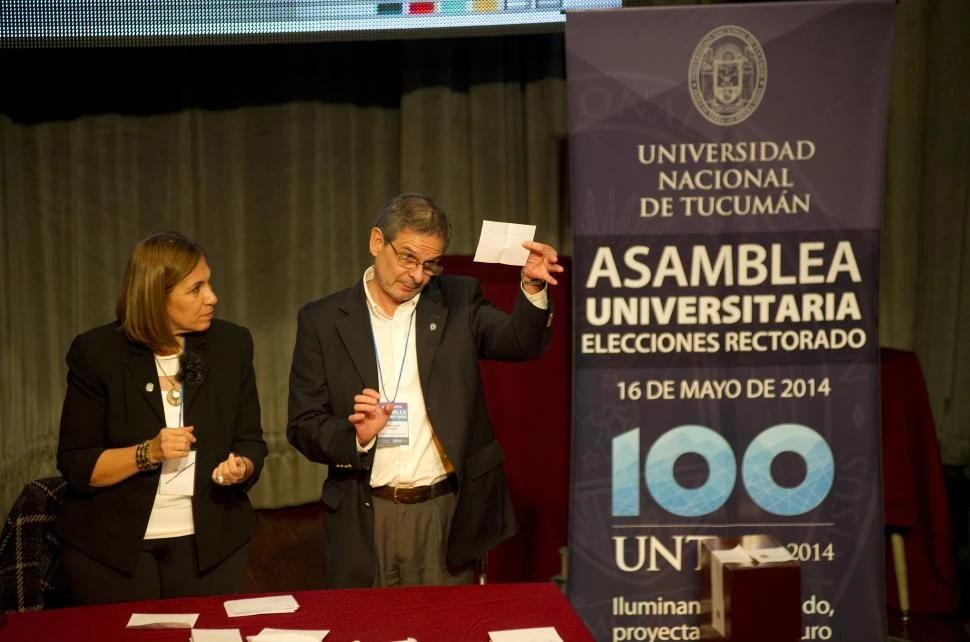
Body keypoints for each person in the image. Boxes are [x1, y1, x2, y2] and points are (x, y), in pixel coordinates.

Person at [287, 193, 564, 588]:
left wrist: (533, 288)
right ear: (376, 242)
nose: (417, 275)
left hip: (443, 513)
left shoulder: (457, 299)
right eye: (408, 258)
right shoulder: (323, 320)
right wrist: (357, 437)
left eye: (430, 264)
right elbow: (302, 425)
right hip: (365, 513)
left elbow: (517, 342)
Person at [55, 231, 268, 605]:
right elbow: (77, 463)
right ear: (156, 296)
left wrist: (242, 467)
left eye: (210, 283)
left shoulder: (231, 345)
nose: (212, 297)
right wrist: (148, 452)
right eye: (195, 289)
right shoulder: (97, 353)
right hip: (113, 549)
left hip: (210, 544)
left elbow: (250, 440)